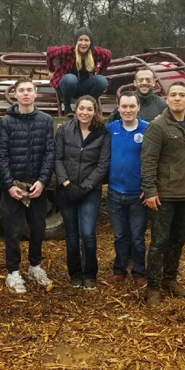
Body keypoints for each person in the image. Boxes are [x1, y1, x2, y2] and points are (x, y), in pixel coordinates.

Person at [140, 82, 185, 307]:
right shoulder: (157, 126)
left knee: (178, 240)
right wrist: (150, 191)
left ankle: (170, 278)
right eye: (173, 94)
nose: (177, 98)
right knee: (159, 242)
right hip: (164, 195)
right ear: (167, 99)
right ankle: (153, 286)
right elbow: (148, 161)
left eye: (181, 95)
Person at [0, 77, 56, 293]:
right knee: (13, 231)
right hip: (14, 187)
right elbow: (1, 155)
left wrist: (43, 181)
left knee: (38, 229)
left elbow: (50, 153)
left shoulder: (45, 120)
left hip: (36, 187)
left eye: (29, 90)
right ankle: (13, 272)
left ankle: (35, 266)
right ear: (15, 94)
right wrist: (8, 185)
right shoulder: (6, 122)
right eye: (21, 90)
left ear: (36, 94)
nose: (26, 94)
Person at [55, 95, 111, 290]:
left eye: (89, 109)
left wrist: (85, 187)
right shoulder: (64, 130)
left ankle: (90, 274)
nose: (85, 113)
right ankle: (75, 274)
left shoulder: (102, 133)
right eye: (82, 108)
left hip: (90, 191)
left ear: (95, 112)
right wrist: (66, 183)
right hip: (66, 189)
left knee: (87, 233)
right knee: (71, 233)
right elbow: (58, 158)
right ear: (76, 109)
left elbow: (102, 165)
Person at [105, 90, 149, 289]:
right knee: (120, 235)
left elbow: (155, 160)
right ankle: (119, 270)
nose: (128, 110)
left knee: (137, 237)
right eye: (124, 106)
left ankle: (139, 272)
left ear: (138, 107)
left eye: (132, 106)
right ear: (118, 107)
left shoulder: (147, 129)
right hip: (115, 193)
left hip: (138, 194)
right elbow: (88, 133)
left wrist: (149, 187)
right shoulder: (110, 129)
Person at [47, 27, 111, 115]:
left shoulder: (95, 52)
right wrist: (51, 70)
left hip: (84, 86)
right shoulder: (67, 51)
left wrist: (99, 73)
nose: (83, 44)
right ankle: (67, 107)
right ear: (76, 41)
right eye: (80, 40)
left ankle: (86, 105)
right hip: (66, 86)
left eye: (86, 40)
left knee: (101, 81)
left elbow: (108, 56)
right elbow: (49, 52)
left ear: (91, 42)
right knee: (71, 79)